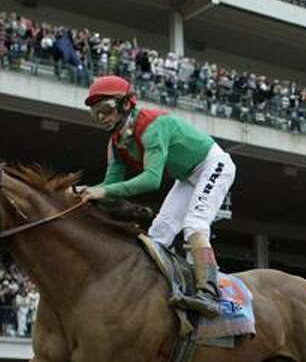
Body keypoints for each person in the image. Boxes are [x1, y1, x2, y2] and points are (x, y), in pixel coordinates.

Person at [76, 75, 238, 316]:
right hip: (187, 177)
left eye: (106, 109)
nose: (102, 118)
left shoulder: (151, 127)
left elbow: (152, 179)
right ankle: (149, 291)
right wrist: (84, 194)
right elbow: (109, 188)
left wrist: (102, 191)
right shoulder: (115, 143)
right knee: (159, 233)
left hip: (213, 165)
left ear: (126, 104)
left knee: (194, 225)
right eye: (95, 113)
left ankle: (210, 293)